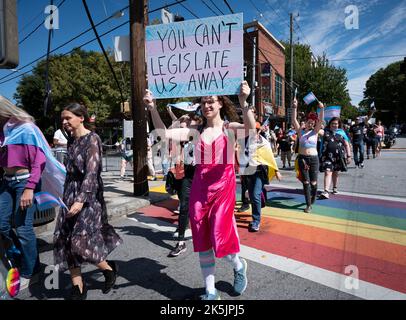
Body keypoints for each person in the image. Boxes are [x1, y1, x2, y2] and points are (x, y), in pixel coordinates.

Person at [145, 81, 255, 300]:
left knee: (219, 237)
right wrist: (152, 108)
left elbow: (251, 129)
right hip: (200, 189)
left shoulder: (229, 128)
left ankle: (238, 265)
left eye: (211, 101)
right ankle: (210, 291)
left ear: (221, 103)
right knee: (202, 239)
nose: (207, 106)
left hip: (223, 189)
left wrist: (244, 103)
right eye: (204, 102)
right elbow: (164, 134)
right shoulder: (195, 130)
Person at [53, 102, 122, 300]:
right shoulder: (71, 141)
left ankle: (109, 269)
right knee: (65, 240)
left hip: (89, 197)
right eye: (63, 119)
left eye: (68, 118)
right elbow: (70, 172)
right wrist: (64, 195)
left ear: (81, 117)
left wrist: (81, 200)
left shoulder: (93, 139)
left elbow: (92, 173)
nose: (64, 122)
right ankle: (79, 286)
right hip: (70, 194)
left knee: (79, 242)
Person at [0, 96, 51, 290]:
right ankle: (20, 258)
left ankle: (31, 270)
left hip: (25, 182)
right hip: (6, 182)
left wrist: (30, 187)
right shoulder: (1, 132)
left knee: (23, 228)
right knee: (1, 225)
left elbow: (39, 161)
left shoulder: (26, 128)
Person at [243, 122, 282, 232]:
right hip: (248, 171)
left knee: (254, 195)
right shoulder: (244, 140)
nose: (253, 132)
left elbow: (270, 157)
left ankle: (256, 221)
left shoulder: (264, 143)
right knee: (251, 194)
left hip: (259, 171)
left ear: (259, 130)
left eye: (255, 129)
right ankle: (262, 195)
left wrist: (276, 171)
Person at [291, 98, 325, 213]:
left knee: (313, 183)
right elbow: (293, 119)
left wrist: (321, 109)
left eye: (312, 122)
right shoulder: (300, 132)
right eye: (309, 121)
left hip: (314, 159)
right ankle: (308, 204)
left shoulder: (315, 131)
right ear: (305, 122)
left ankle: (313, 198)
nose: (310, 123)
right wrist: (294, 107)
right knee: (306, 182)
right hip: (302, 159)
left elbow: (320, 121)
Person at [318, 117, 351, 199]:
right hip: (327, 156)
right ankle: (326, 191)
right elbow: (317, 130)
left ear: (339, 124)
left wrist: (349, 156)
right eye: (332, 123)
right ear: (330, 124)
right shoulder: (325, 132)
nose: (334, 125)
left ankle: (335, 187)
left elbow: (346, 145)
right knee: (327, 171)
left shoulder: (342, 133)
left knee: (335, 173)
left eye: (336, 124)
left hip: (338, 157)